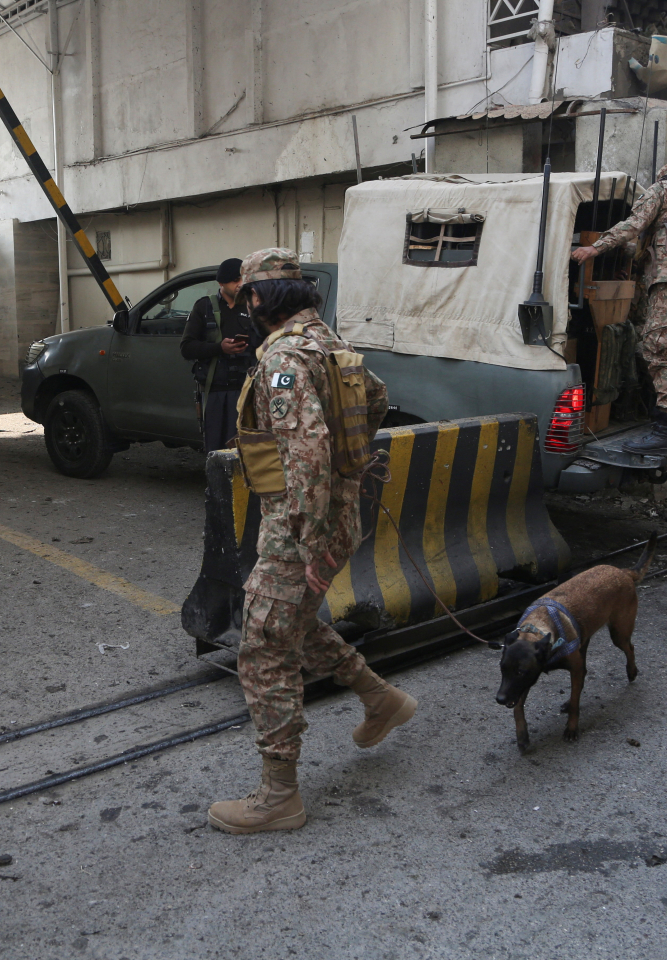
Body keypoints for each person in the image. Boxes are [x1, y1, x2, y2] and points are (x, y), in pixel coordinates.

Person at [208, 248, 412, 835]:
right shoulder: (330, 344)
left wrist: (307, 544)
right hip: (335, 513)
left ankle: (279, 797)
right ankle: (380, 700)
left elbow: (306, 455)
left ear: (255, 299)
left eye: (246, 296)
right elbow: (376, 399)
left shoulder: (284, 361)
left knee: (264, 643)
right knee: (289, 621)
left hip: (303, 524)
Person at [572, 163, 667, 454]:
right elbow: (661, 246)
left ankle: (663, 430)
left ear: (661, 177)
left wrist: (595, 248)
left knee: (659, 352)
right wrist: (634, 265)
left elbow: (633, 225)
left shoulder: (661, 191)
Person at [178, 257, 256, 452]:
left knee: (242, 448)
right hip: (215, 391)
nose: (240, 285)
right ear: (221, 283)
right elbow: (187, 348)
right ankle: (216, 483)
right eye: (235, 280)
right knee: (215, 447)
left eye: (243, 280)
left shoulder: (253, 306)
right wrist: (220, 348)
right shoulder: (204, 307)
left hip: (245, 390)